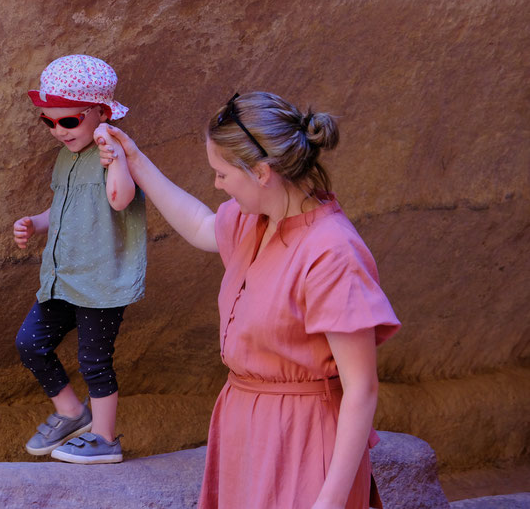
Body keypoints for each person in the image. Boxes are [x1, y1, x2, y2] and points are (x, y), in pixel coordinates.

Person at [95, 92, 400, 508]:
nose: (216, 183)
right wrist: (136, 161)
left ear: (260, 172)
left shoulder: (332, 252)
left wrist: (329, 502)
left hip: (305, 439)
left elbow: (361, 388)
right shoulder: (253, 221)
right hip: (245, 429)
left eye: (222, 173)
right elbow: (202, 225)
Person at [13, 54, 146, 464]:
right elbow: (65, 207)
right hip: (63, 277)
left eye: (67, 121)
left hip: (102, 282)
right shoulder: (67, 156)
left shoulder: (117, 151)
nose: (58, 131)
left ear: (100, 113)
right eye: (48, 122)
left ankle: (105, 438)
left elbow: (120, 199)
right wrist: (36, 222)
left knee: (93, 359)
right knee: (30, 343)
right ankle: (72, 412)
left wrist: (117, 159)